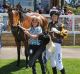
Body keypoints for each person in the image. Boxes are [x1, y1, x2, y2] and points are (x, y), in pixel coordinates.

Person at [47, 6, 68, 74]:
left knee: (59, 64)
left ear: (58, 16)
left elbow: (65, 34)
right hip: (50, 45)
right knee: (52, 63)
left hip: (57, 45)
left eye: (55, 16)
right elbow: (47, 33)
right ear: (51, 16)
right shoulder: (49, 24)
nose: (54, 17)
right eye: (53, 16)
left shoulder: (60, 25)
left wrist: (58, 31)